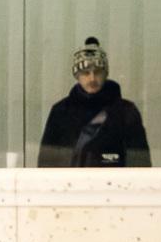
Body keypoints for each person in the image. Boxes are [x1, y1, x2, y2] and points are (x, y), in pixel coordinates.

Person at [38, 37, 151, 167]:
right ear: (77, 75)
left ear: (105, 74)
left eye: (97, 72)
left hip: (114, 181)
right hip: (71, 181)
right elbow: (46, 164)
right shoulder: (60, 112)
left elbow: (140, 165)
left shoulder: (126, 113)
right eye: (86, 72)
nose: (92, 78)